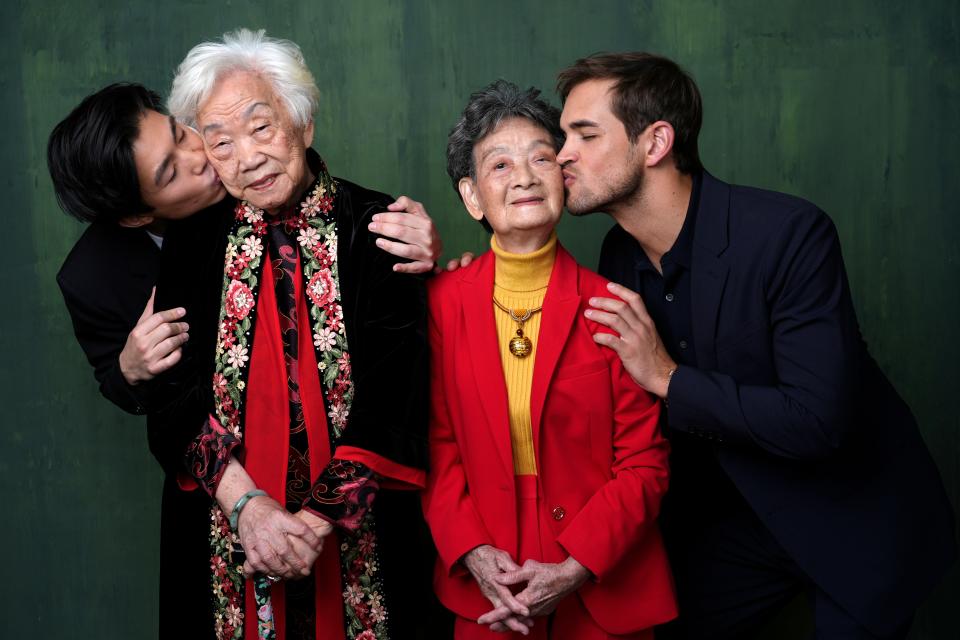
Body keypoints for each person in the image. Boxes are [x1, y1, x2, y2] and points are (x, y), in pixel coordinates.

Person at [552, 52, 956, 639]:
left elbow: (817, 421)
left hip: (857, 517)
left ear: (656, 142)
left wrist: (668, 379)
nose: (563, 154)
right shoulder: (619, 254)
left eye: (584, 135)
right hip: (736, 522)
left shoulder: (790, 234)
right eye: (563, 136)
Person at [48, 82, 443, 639]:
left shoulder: (343, 211)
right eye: (170, 171)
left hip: (360, 518)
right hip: (223, 513)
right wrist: (130, 368)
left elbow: (396, 376)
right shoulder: (106, 274)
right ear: (140, 216)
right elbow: (156, 396)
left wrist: (431, 260)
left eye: (187, 134)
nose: (207, 156)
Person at [156, 28, 441, 639]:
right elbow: (169, 398)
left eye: (261, 127)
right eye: (220, 141)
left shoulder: (379, 224)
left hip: (361, 540)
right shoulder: (189, 242)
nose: (247, 156)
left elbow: (397, 390)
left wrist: (313, 524)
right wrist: (249, 511)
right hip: (224, 534)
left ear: (304, 123)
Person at [422, 80, 677, 640]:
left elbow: (645, 464)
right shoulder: (439, 304)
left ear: (563, 177)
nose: (524, 177)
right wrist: (473, 551)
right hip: (490, 585)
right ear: (471, 197)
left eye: (542, 157)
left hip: (603, 580)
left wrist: (575, 565)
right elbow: (437, 449)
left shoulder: (614, 308)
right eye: (499, 165)